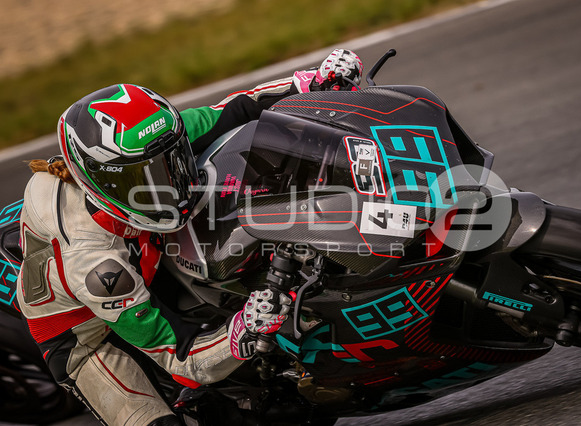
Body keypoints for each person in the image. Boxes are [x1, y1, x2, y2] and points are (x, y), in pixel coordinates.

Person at [17, 49, 363, 426]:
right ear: (102, 184)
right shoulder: (96, 267)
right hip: (86, 333)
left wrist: (311, 81)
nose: (170, 183)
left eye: (172, 161)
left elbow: (234, 109)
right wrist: (244, 327)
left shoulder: (149, 144)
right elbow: (180, 355)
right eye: (146, 179)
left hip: (140, 250)